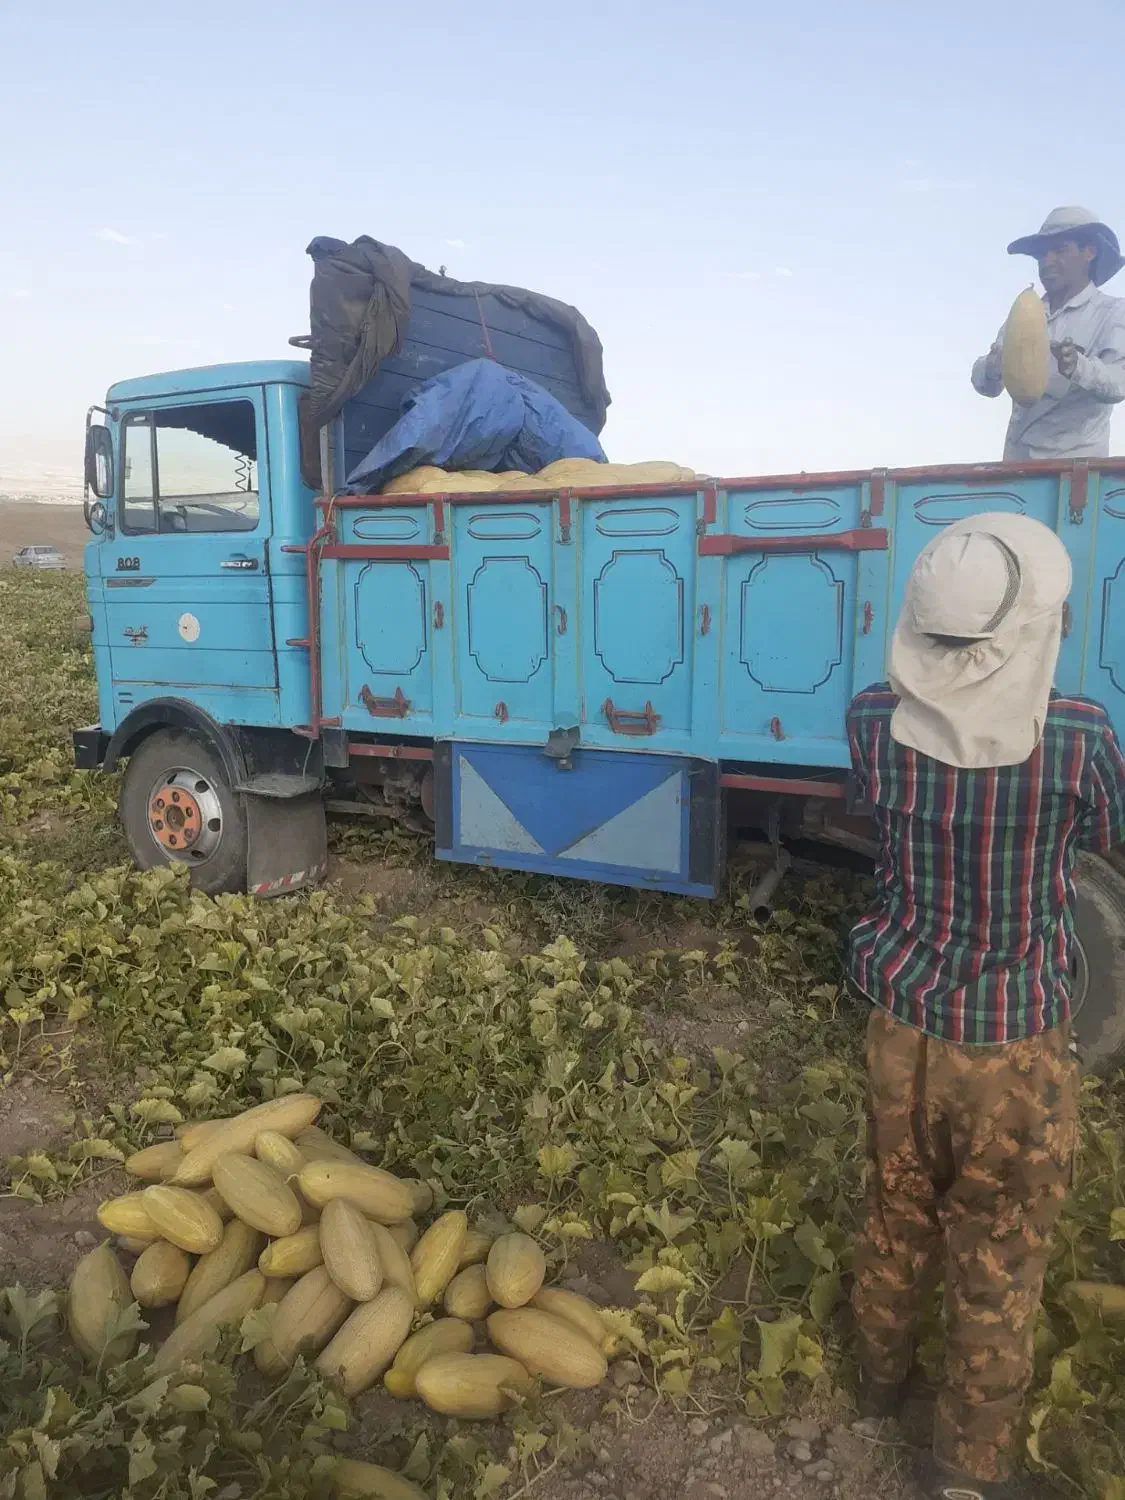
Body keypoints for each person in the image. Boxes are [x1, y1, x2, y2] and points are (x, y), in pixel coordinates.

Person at [845, 513, 1125, 1500]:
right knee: (999, 1250)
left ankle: (876, 1382)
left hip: (898, 1023)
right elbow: (1104, 836)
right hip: (1011, 1044)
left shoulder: (872, 717)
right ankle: (967, 1469)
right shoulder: (1081, 737)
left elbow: (869, 813)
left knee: (896, 1209)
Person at [972, 206, 1125, 458]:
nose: (1047, 261)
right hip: (1017, 472)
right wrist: (991, 368)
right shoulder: (1025, 310)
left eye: (1060, 250)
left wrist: (1078, 367)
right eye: (1042, 254)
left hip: (1078, 475)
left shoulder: (1112, 313)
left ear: (1089, 252)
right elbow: (987, 387)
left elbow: (1119, 383)